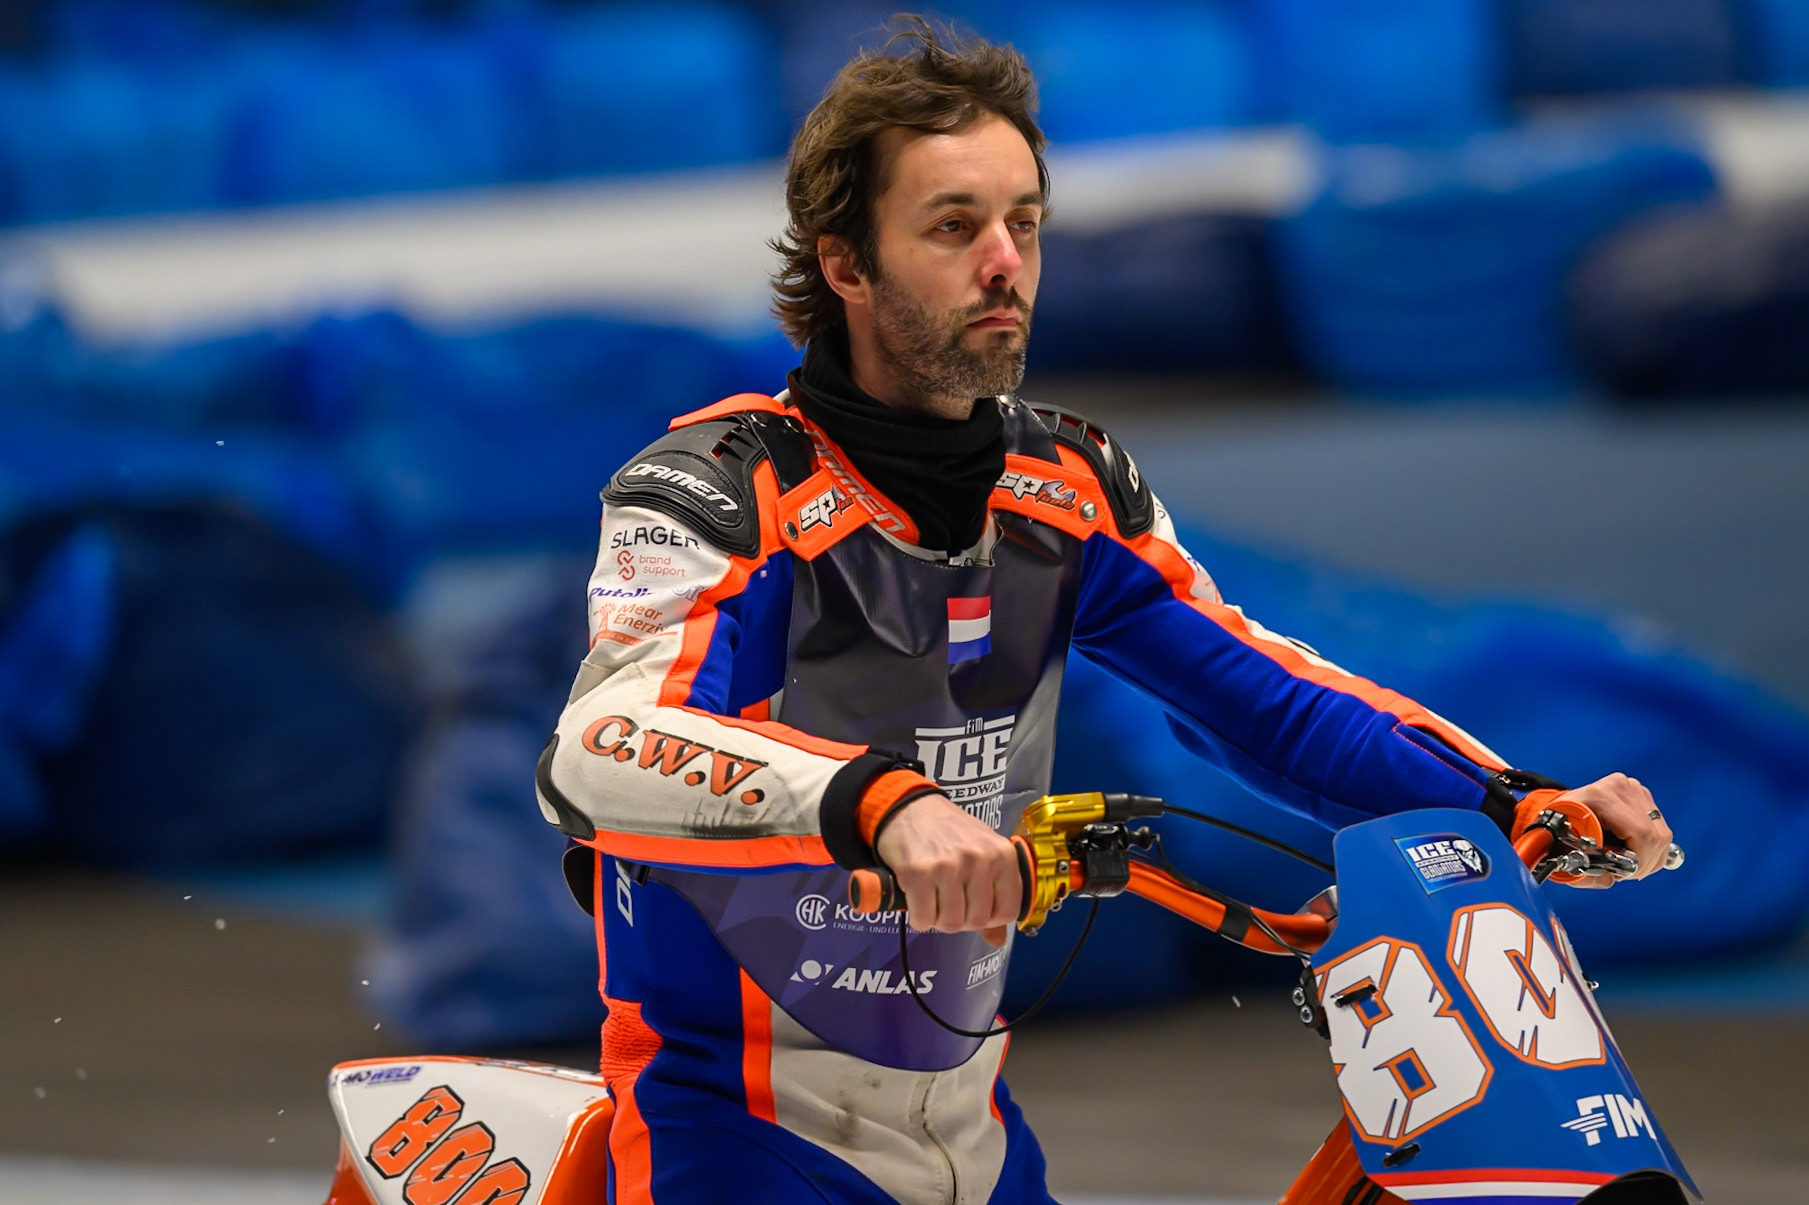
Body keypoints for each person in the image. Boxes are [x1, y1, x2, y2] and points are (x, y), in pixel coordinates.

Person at [535, 17, 1675, 1203]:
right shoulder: (720, 487)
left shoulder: (1068, 488)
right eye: (952, 226)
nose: (1005, 262)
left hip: (971, 1133)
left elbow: (1269, 698)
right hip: (734, 1132)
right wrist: (880, 800)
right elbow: (596, 746)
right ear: (845, 264)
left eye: (1024, 222)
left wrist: (1507, 795)